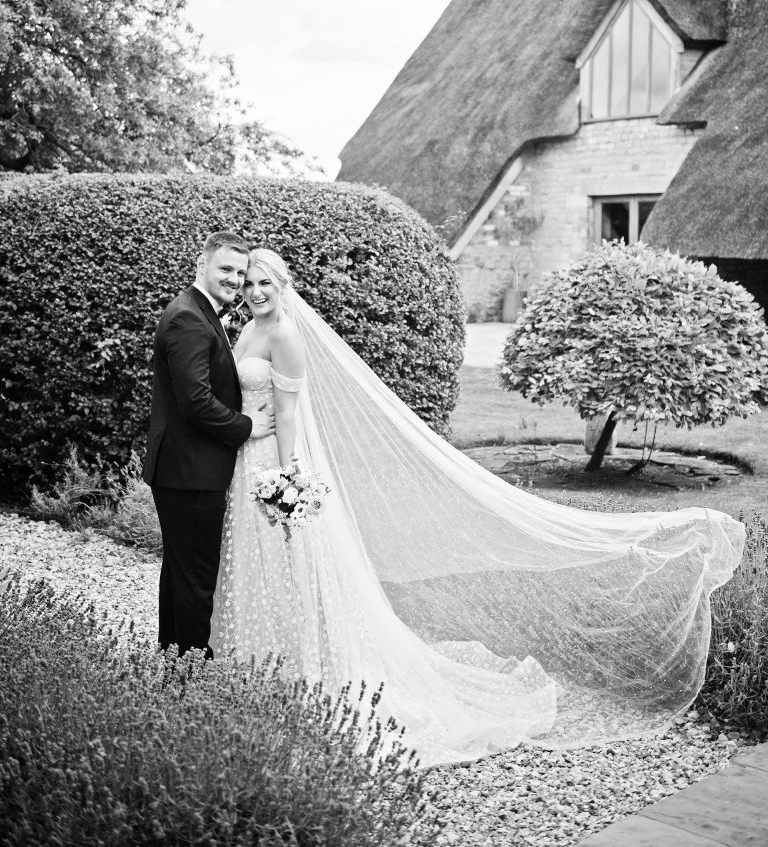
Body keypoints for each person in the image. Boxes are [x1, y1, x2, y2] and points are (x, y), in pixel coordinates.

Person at [211, 248, 746, 768]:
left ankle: (308, 675)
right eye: (250, 283)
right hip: (246, 460)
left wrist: (284, 485)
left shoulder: (283, 334)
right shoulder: (248, 328)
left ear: (284, 288)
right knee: (263, 572)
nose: (256, 292)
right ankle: (265, 670)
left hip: (274, 468)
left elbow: (288, 417)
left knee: (291, 569)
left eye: (266, 283)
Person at [143, 231, 273, 658]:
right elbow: (195, 400)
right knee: (197, 578)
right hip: (191, 472)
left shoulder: (200, 311)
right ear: (202, 265)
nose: (236, 279)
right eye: (226, 269)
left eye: (240, 271)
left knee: (180, 573)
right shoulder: (188, 318)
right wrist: (246, 426)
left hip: (184, 468)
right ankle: (192, 675)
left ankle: (172, 659)